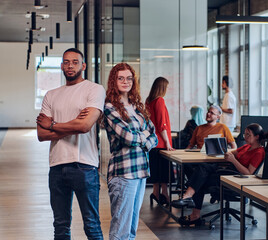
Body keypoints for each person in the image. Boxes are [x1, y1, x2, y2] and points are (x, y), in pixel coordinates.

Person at [36, 48, 104, 239]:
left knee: (91, 224)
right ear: (61, 66)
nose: (70, 65)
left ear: (83, 65)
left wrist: (54, 125)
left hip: (85, 166)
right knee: (60, 226)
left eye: (74, 62)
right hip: (57, 167)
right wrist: (73, 124)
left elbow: (85, 126)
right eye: (66, 62)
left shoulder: (94, 89)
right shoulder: (51, 95)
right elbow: (42, 133)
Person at [103, 63, 158, 240]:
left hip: (141, 171)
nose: (125, 81)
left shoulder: (137, 107)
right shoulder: (110, 107)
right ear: (114, 81)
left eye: (129, 78)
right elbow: (128, 137)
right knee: (121, 231)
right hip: (123, 173)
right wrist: (144, 137)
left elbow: (154, 136)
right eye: (120, 78)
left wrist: (142, 137)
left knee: (131, 230)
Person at [172, 123, 265, 226]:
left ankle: (191, 205)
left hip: (236, 178)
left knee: (200, 178)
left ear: (257, 137)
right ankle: (190, 201)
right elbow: (230, 153)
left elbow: (249, 173)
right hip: (228, 172)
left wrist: (233, 161)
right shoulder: (247, 147)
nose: (245, 137)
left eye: (248, 135)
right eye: (244, 134)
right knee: (201, 171)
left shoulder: (259, 152)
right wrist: (222, 150)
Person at [146, 77, 175, 205]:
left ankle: (157, 193)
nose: (167, 90)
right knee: (164, 170)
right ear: (162, 87)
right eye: (166, 87)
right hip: (161, 143)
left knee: (157, 171)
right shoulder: (159, 101)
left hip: (153, 142)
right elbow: (162, 124)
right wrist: (168, 143)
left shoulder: (149, 101)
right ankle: (164, 194)